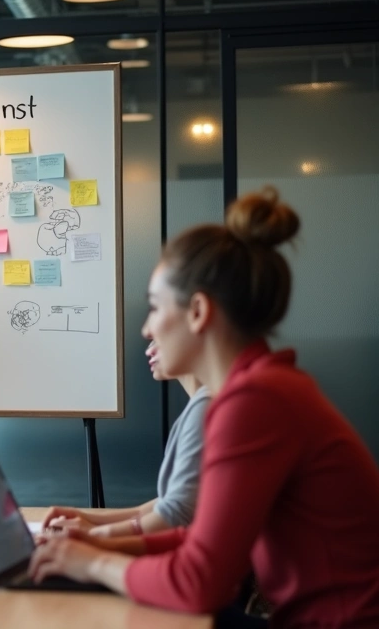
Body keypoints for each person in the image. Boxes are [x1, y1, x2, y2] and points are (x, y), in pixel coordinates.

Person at [28, 188, 379, 627]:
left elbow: (200, 581)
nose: (145, 328)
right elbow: (200, 540)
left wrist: (94, 564)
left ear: (197, 312)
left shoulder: (255, 401)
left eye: (155, 308)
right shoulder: (262, 387)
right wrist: (100, 547)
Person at [43, 341, 209, 537]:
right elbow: (166, 505)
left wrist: (93, 534)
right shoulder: (200, 404)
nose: (149, 346)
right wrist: (87, 519)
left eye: (157, 312)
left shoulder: (206, 407)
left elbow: (177, 514)